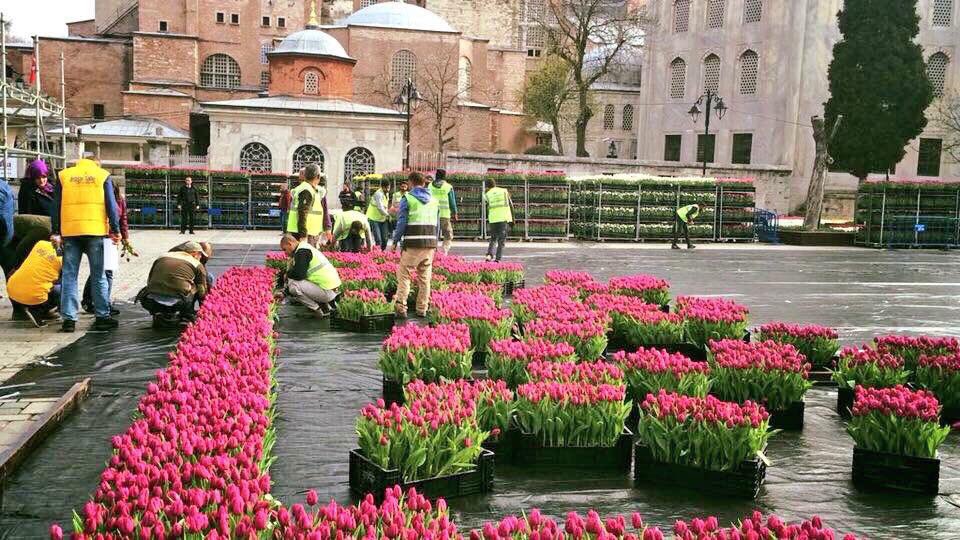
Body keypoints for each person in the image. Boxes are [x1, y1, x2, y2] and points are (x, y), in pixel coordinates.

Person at [52, 154, 121, 333]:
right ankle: (102, 316)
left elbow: (56, 205)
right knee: (99, 275)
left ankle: (68, 319)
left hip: (70, 232)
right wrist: (115, 229)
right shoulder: (102, 175)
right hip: (95, 231)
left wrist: (56, 230)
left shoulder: (64, 175)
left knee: (69, 276)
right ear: (95, 164)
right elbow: (111, 205)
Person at [389, 171, 438, 319]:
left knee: (404, 275)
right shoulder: (434, 200)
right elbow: (437, 224)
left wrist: (395, 241)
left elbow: (402, 222)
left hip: (412, 243)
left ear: (411, 183)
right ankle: (422, 308)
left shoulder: (408, 198)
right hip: (430, 244)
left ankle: (401, 307)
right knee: (425, 278)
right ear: (424, 183)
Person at [82, 182, 129, 316]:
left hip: (112, 238)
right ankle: (96, 302)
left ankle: (100, 301)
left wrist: (125, 237)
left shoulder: (120, 199)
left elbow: (123, 219)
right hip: (98, 236)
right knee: (100, 270)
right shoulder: (97, 199)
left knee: (106, 271)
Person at [138, 241, 209, 324]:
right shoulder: (196, 264)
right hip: (179, 303)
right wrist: (204, 309)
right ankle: (186, 313)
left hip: (150, 301)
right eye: (200, 255)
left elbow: (149, 280)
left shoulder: (162, 256)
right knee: (197, 285)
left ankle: (157, 312)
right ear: (194, 253)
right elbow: (202, 291)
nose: (200, 257)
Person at [1, 215, 50, 321]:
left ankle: (34, 307)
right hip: (6, 238)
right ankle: (19, 311)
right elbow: (22, 248)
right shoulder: (44, 230)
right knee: (12, 271)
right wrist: (15, 267)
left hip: (17, 237)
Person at [280, 233, 341, 317]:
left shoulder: (302, 252)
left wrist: (287, 274)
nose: (285, 253)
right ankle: (325, 305)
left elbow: (299, 275)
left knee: (293, 285)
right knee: (293, 281)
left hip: (327, 291)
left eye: (285, 249)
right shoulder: (305, 247)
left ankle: (319, 309)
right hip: (330, 289)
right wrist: (284, 293)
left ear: (290, 244)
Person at [7, 239, 61, 327]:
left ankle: (31, 308)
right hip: (32, 295)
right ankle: (36, 310)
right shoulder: (62, 259)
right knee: (61, 289)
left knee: (40, 280)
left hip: (12, 288)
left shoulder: (40, 244)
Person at [287, 164, 332, 247]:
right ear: (318, 176)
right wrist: (303, 235)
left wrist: (327, 229)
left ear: (305, 176)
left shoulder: (314, 190)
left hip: (308, 232)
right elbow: (302, 213)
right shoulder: (306, 190)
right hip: (306, 234)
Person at [483, 177, 514, 262]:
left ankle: (489, 255)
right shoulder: (504, 191)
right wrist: (512, 220)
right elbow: (511, 205)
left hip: (493, 219)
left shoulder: (486, 195)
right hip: (503, 218)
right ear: (495, 184)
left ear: (487, 186)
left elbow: (487, 208)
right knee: (501, 240)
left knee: (493, 238)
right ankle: (498, 259)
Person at [429, 169, 458, 255]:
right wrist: (455, 213)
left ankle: (433, 250)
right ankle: (444, 251)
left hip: (432, 214)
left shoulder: (430, 186)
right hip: (444, 214)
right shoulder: (448, 186)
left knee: (433, 233)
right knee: (448, 234)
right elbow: (452, 201)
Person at [366, 178, 390, 250]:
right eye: (387, 188)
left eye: (389, 187)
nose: (388, 189)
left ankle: (382, 253)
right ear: (383, 187)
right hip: (374, 219)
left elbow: (385, 206)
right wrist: (388, 215)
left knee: (385, 239)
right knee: (378, 239)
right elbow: (380, 208)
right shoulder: (378, 194)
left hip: (383, 219)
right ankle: (377, 255)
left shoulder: (387, 194)